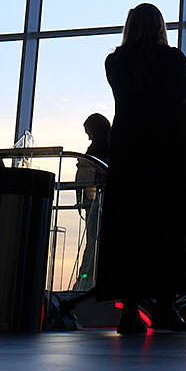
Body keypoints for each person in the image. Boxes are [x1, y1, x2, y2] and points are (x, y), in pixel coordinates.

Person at [99, 3, 186, 334]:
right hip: (164, 152)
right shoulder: (171, 59)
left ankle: (129, 312)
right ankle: (164, 306)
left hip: (126, 151)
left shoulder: (114, 62)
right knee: (165, 229)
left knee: (128, 231)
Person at [71, 114, 111, 292]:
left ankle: (87, 279)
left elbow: (86, 174)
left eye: (89, 132)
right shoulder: (108, 147)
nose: (88, 136)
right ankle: (89, 278)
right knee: (95, 240)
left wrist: (81, 199)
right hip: (96, 200)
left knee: (94, 240)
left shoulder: (97, 150)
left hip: (95, 201)